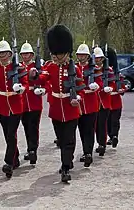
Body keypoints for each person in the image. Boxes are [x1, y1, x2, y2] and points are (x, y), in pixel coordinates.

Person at [29, 24, 85, 183]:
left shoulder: (75, 69)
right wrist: (33, 75)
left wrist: (78, 98)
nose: (56, 56)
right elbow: (42, 78)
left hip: (71, 108)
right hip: (56, 109)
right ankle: (67, 159)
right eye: (55, 53)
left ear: (66, 53)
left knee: (68, 139)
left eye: (59, 53)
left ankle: (65, 167)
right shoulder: (50, 66)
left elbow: (81, 87)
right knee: (61, 139)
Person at [0, 38, 28, 178]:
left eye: (4, 53)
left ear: (10, 53)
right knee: (7, 133)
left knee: (11, 133)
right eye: (0, 53)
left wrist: (20, 88)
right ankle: (15, 157)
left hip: (16, 104)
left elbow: (25, 83)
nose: (2, 56)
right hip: (2, 104)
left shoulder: (18, 66)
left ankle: (8, 163)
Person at [75, 43, 102, 167]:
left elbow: (101, 83)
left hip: (91, 103)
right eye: (79, 55)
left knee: (89, 130)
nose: (81, 57)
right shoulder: (74, 68)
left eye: (83, 55)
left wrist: (96, 86)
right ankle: (86, 151)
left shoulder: (95, 68)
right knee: (81, 130)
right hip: (79, 103)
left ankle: (88, 153)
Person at [19, 41, 46, 164]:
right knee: (26, 126)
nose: (25, 56)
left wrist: (43, 90)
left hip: (35, 100)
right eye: (23, 54)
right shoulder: (19, 66)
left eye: (28, 54)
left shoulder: (38, 65)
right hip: (23, 101)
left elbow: (46, 81)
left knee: (34, 127)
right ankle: (30, 149)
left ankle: (33, 150)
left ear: (32, 54)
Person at [94, 46, 115, 156]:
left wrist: (110, 88)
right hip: (93, 101)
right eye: (95, 58)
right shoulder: (91, 69)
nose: (97, 60)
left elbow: (112, 82)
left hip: (104, 101)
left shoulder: (108, 70)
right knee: (94, 125)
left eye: (99, 58)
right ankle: (96, 144)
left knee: (102, 124)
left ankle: (102, 144)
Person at [107, 48, 126, 147]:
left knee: (115, 121)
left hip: (116, 101)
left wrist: (122, 90)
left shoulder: (118, 75)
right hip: (107, 101)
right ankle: (110, 136)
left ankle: (114, 136)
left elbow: (122, 87)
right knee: (108, 122)